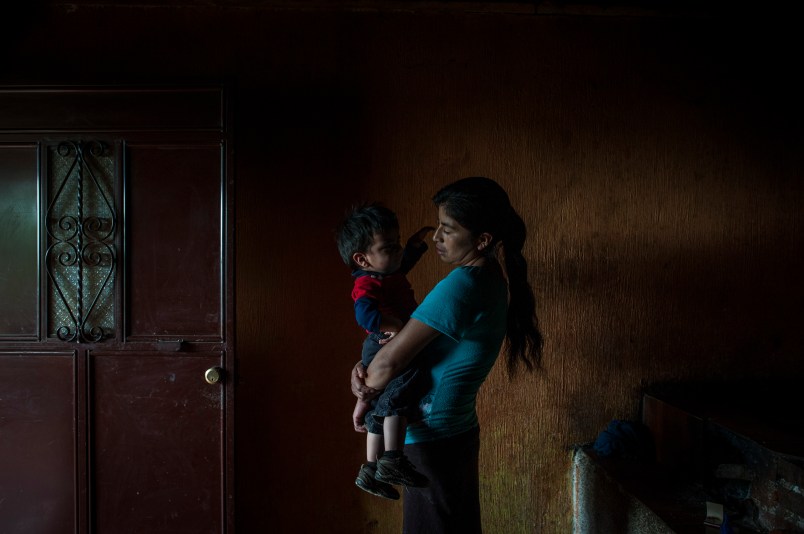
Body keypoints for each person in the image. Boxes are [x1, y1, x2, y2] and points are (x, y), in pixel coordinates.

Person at [351, 177, 543, 533]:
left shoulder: (463, 285)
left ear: (482, 240)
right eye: (437, 226)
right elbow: (399, 349)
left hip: (433, 441)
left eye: (448, 229)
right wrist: (363, 369)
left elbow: (389, 362)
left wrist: (364, 387)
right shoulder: (487, 278)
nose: (436, 237)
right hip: (450, 435)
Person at [336, 203, 435, 501]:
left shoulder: (385, 271)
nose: (398, 251)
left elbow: (402, 265)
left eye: (399, 243)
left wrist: (415, 247)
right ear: (362, 259)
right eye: (390, 247)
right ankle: (392, 459)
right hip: (383, 341)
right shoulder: (367, 282)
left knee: (381, 398)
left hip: (384, 342)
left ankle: (369, 468)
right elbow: (364, 315)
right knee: (401, 391)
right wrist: (392, 323)